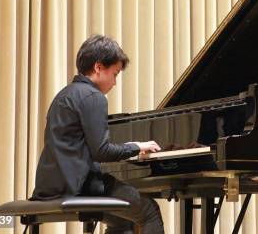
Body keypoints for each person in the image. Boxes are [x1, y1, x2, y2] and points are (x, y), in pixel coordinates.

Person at [31, 35, 164, 234]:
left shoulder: (64, 95)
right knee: (149, 211)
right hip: (79, 186)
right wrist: (136, 146)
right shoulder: (93, 96)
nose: (115, 83)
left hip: (50, 186)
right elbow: (101, 152)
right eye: (115, 74)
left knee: (122, 221)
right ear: (99, 68)